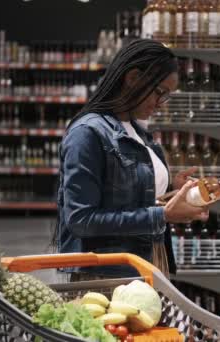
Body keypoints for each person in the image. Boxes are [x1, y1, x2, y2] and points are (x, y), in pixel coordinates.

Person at [55, 39, 209, 281]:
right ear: (133, 78)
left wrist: (171, 191)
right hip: (105, 276)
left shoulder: (136, 130)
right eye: (159, 93)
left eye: (166, 96)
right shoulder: (87, 133)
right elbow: (80, 220)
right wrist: (163, 216)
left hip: (147, 263)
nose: (161, 104)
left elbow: (126, 196)